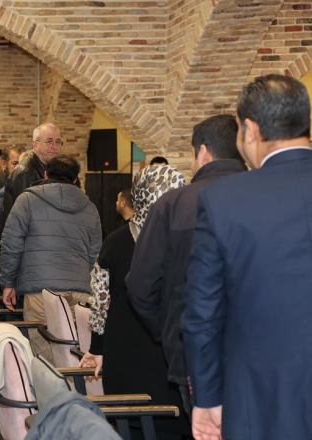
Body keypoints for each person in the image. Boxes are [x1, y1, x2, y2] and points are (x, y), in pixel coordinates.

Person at [183, 74, 312, 440]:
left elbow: (202, 314)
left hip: (259, 399)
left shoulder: (225, 200)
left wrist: (207, 399)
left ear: (251, 130)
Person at [125, 115, 245, 414]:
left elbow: (140, 284)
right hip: (262, 353)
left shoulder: (173, 204)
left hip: (192, 351)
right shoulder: (267, 198)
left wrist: (170, 329)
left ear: (203, 152)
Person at [79, 163, 188, 438]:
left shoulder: (115, 241)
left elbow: (101, 301)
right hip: (170, 358)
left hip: (123, 354)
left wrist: (97, 348)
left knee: (130, 423)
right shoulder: (186, 240)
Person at [0, 156, 101, 360]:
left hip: (41, 292)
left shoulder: (27, 200)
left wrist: (8, 282)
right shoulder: (90, 207)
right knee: (79, 356)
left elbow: (11, 244)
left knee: (46, 357)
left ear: (46, 174)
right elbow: (95, 252)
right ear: (75, 179)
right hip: (81, 291)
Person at [0, 123, 62, 268]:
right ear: (35, 145)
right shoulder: (25, 172)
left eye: (58, 141)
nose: (54, 146)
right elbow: (24, 223)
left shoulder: (50, 170)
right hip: (24, 256)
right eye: (49, 141)